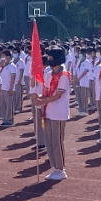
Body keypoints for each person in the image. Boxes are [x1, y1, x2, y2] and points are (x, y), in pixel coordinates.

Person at [37, 48, 71, 181]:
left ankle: (61, 168)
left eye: (51, 57)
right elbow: (45, 91)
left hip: (59, 112)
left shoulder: (64, 75)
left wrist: (44, 100)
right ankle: (54, 167)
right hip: (48, 111)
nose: (49, 60)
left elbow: (58, 94)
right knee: (49, 141)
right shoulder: (48, 74)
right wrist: (38, 97)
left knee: (57, 141)